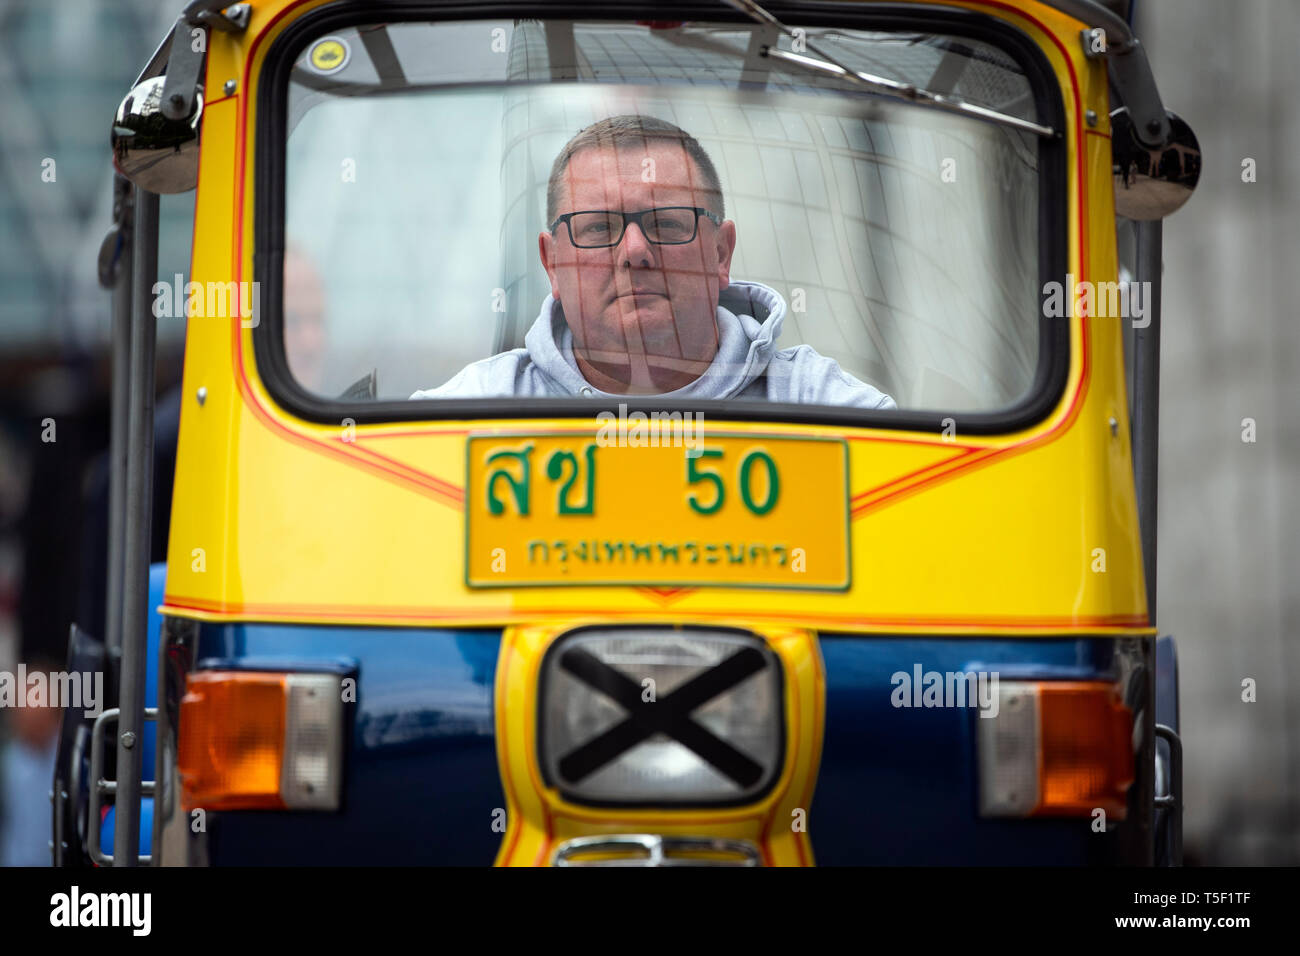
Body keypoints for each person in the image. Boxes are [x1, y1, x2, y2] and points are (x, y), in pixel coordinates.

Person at [412, 114, 895, 408]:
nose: (636, 251)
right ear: (552, 264)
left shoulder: (835, 413)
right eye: (598, 227)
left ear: (720, 253)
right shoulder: (467, 417)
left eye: (666, 223)